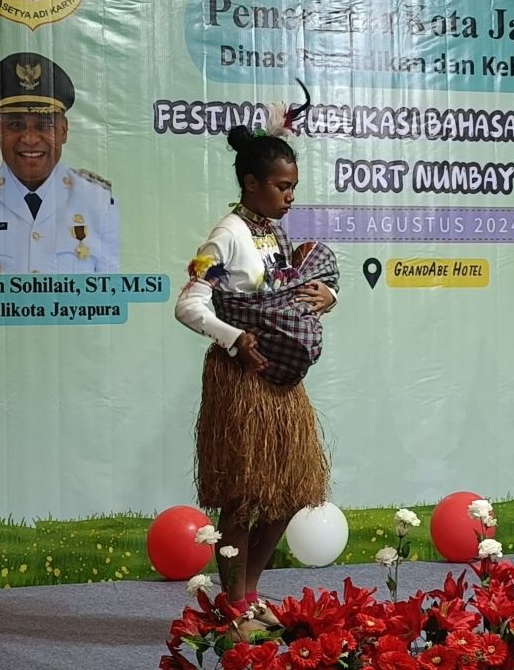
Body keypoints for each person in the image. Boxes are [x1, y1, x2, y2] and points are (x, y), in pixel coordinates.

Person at [174, 91, 338, 641]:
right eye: (282, 187)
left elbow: (292, 283)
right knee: (244, 497)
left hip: (282, 383)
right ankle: (234, 604)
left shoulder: (271, 227)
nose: (291, 197)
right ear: (251, 184)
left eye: (293, 186)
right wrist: (233, 336)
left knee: (289, 492)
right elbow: (189, 303)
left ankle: (250, 593)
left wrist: (326, 297)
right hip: (242, 378)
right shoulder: (228, 236)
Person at [0, 52, 119, 274]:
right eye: (16, 125)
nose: (29, 138)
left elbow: (110, 302)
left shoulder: (99, 201)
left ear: (63, 130)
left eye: (44, 125)